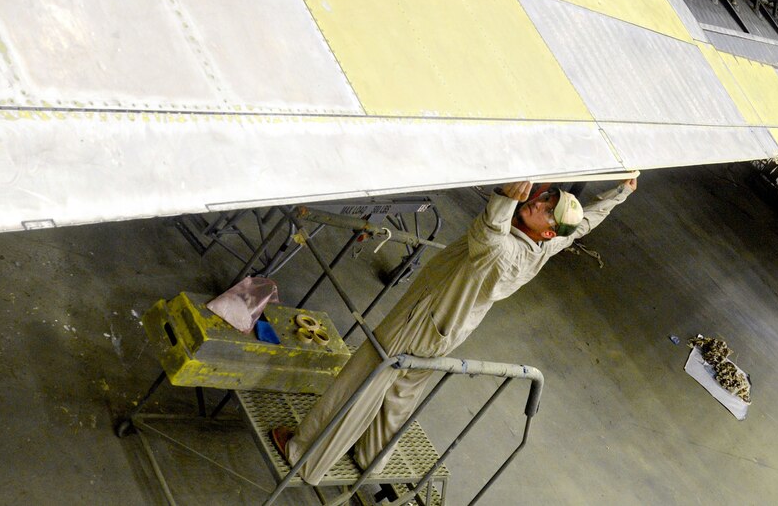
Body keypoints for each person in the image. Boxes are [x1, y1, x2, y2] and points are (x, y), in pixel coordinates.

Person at [272, 177, 638, 484]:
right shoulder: (547, 246)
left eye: (546, 209)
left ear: (546, 229)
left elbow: (490, 231)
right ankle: (371, 460)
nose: (540, 202)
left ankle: (305, 457)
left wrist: (503, 200)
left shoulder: (504, 250)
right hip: (447, 330)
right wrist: (620, 193)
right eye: (546, 198)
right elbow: (585, 222)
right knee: (400, 392)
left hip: (421, 318)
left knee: (365, 377)